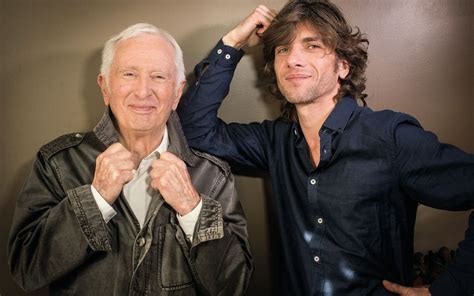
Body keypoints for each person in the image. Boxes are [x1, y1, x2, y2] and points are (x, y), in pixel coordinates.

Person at [177, 1, 474, 295]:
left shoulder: (391, 137)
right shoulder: (274, 142)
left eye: (312, 46)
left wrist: (449, 289)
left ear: (343, 66)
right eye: (283, 49)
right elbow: (194, 129)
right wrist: (234, 42)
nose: (293, 59)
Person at [8, 23, 253, 295]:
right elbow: (26, 269)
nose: (142, 91)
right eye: (129, 74)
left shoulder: (214, 174)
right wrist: (96, 199)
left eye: (158, 77)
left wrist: (192, 208)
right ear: (105, 87)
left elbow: (235, 285)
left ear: (177, 92)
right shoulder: (57, 163)